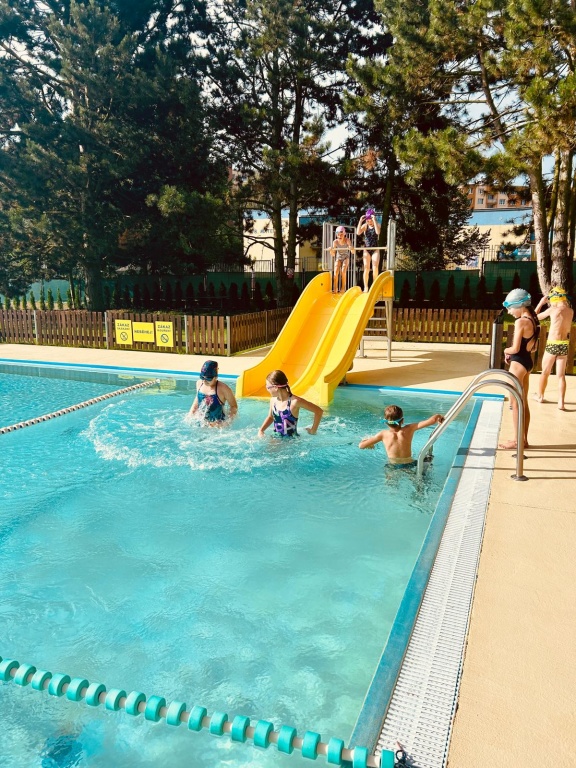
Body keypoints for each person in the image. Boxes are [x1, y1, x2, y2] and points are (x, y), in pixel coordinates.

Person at [499, 288, 540, 449]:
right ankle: (524, 440)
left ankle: (517, 441)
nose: (509, 312)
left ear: (520, 305)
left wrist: (505, 350)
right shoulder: (534, 321)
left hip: (517, 365)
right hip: (527, 363)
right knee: (523, 403)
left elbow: (515, 348)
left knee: (515, 403)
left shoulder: (521, 321)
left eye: (510, 308)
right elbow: (533, 348)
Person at [358, 404, 444, 465]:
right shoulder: (409, 429)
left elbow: (361, 446)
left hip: (393, 466)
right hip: (409, 463)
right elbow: (432, 420)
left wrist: (367, 441)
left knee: (390, 482)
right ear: (402, 420)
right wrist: (438, 416)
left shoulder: (383, 434)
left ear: (385, 422)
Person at [533, 286, 574, 409]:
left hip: (552, 343)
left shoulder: (553, 310)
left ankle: (540, 396)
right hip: (564, 344)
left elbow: (534, 317)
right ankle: (561, 402)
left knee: (545, 372)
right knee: (561, 375)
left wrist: (541, 303)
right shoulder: (570, 311)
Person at [258, 370, 323, 437]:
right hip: (276, 437)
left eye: (268, 387)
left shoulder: (295, 402)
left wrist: (313, 430)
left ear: (276, 387)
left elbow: (319, 411)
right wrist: (261, 430)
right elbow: (271, 417)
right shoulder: (273, 400)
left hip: (291, 441)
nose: (267, 390)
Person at [189, 360, 238, 426]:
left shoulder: (224, 389)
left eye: (208, 378)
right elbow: (196, 403)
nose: (204, 380)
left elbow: (234, 406)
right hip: (201, 423)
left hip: (217, 426)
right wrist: (190, 416)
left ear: (215, 377)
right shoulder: (199, 384)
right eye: (202, 377)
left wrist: (226, 423)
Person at [356, 208, 381, 292]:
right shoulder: (365, 226)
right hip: (367, 249)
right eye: (367, 220)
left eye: (370, 220)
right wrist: (360, 221)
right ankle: (366, 287)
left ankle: (374, 285)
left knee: (375, 267)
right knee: (366, 268)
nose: (369, 222)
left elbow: (377, 232)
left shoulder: (377, 225)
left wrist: (374, 220)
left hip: (375, 249)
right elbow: (358, 232)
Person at [330, 226, 354, 293]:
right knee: (335, 272)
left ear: (344, 234)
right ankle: (335, 288)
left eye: (341, 234)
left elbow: (353, 252)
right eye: (338, 234)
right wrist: (331, 250)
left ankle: (343, 288)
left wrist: (351, 248)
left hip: (346, 257)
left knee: (343, 271)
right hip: (338, 257)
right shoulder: (335, 242)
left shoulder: (347, 240)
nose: (339, 236)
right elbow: (333, 254)